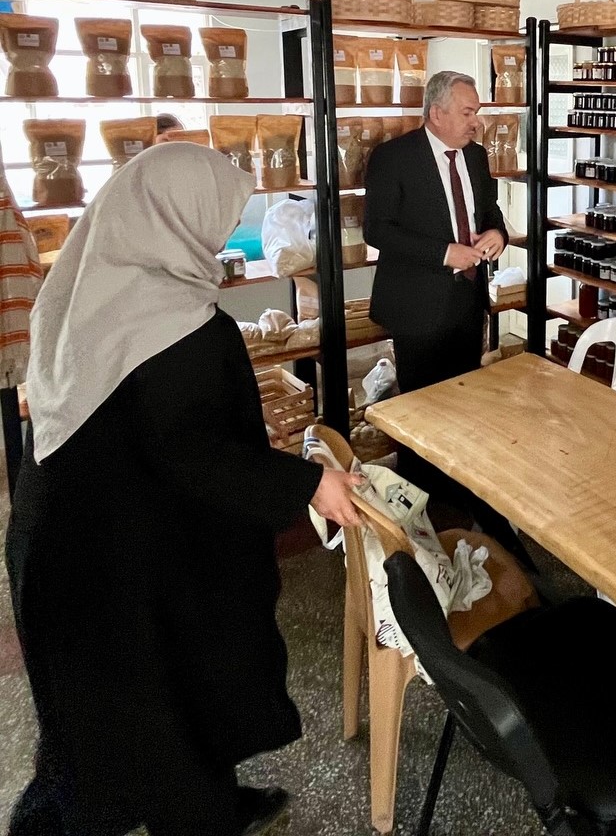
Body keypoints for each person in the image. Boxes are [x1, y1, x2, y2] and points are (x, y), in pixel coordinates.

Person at [6, 143, 363, 836]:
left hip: (63, 539)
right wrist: (310, 482)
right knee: (155, 703)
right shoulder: (181, 329)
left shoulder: (82, 289)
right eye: (217, 220)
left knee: (118, 712)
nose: (222, 238)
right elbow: (198, 455)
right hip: (117, 560)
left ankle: (204, 807)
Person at [364, 70, 507, 395]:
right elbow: (377, 230)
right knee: (421, 405)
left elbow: (489, 211)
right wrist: (444, 253)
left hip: (468, 301)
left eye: (476, 112)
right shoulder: (393, 157)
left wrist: (497, 234)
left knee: (466, 395)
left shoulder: (476, 156)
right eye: (467, 113)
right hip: (417, 305)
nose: (476, 122)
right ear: (437, 114)